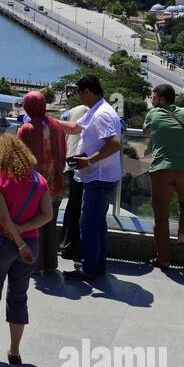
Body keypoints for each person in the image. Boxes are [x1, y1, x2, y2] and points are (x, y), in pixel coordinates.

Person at [0, 133, 53, 366]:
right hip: (31, 244)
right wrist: (24, 233)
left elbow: (4, 220)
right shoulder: (39, 180)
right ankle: (14, 352)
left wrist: (18, 241)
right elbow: (47, 215)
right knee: (18, 296)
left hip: (2, 245)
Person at [64, 74, 123, 283]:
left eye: (79, 92)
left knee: (88, 224)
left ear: (87, 91)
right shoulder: (96, 110)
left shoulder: (101, 114)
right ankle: (98, 265)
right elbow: (74, 128)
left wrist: (88, 161)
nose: (79, 97)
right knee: (98, 224)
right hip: (100, 177)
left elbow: (114, 144)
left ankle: (88, 269)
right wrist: (48, 120)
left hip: (99, 178)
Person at [143, 83, 184, 269]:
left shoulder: (153, 114)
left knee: (161, 217)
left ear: (161, 99)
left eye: (153, 98)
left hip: (162, 170)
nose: (152, 101)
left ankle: (164, 260)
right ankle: (182, 235)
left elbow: (145, 131)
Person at [16, 90, 66, 274]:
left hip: (35, 184)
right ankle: (50, 263)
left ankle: (35, 264)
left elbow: (18, 155)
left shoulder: (27, 129)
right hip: (55, 181)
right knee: (50, 222)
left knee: (34, 224)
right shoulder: (56, 125)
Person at [58, 99, 91, 262]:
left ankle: (66, 244)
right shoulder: (94, 112)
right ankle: (77, 247)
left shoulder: (72, 111)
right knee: (83, 205)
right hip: (85, 163)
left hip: (71, 160)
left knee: (73, 204)